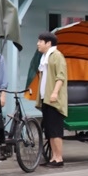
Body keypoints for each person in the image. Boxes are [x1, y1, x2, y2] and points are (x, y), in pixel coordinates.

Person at [36, 31, 68, 167]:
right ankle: (53, 157)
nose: (38, 44)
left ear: (48, 43)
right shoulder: (45, 57)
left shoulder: (57, 56)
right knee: (49, 130)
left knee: (55, 130)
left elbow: (60, 76)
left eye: (40, 41)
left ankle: (59, 158)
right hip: (46, 98)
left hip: (53, 99)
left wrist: (55, 92)